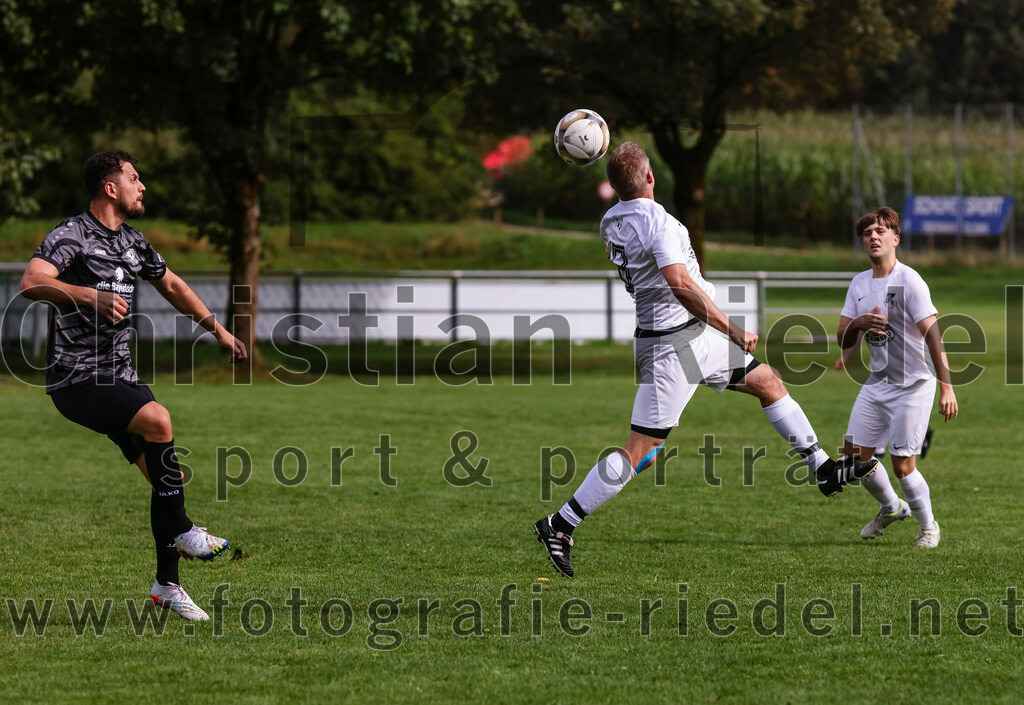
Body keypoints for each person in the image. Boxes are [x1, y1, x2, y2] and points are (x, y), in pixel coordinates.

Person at [532, 142, 877, 578]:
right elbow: (679, 285)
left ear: (612, 185)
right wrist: (732, 328)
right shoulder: (658, 222)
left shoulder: (610, 220)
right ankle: (560, 525)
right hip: (674, 347)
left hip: (687, 337)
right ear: (652, 177)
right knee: (641, 449)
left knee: (767, 381)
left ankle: (823, 468)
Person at [19, 151, 247, 620]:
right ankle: (185, 530)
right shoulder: (72, 235)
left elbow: (174, 286)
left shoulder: (134, 243)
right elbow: (31, 282)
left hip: (120, 376)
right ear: (110, 187)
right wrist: (87, 294)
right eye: (134, 178)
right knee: (159, 420)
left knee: (166, 479)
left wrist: (219, 329)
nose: (142, 186)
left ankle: (167, 585)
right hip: (77, 377)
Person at [837, 207, 957, 548]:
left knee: (903, 466)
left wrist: (947, 387)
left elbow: (934, 336)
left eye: (880, 231)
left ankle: (929, 527)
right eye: (867, 233)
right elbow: (843, 336)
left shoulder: (909, 281)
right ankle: (891, 508)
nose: (873, 236)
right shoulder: (859, 284)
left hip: (914, 385)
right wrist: (858, 324)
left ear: (895, 239)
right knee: (854, 459)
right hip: (877, 383)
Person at [835, 339, 935, 461]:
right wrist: (846, 355)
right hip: (882, 376)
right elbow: (863, 330)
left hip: (910, 378)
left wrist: (947, 389)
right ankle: (880, 449)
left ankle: (881, 448)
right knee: (856, 456)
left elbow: (931, 335)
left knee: (901, 466)